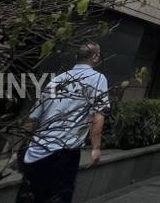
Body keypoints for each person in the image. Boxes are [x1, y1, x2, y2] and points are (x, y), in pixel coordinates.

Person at [17, 42, 110, 203]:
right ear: (95, 57)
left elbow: (31, 119)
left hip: (35, 152)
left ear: (76, 57)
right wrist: (95, 148)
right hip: (64, 153)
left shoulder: (57, 80)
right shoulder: (98, 79)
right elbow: (98, 115)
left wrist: (19, 147)